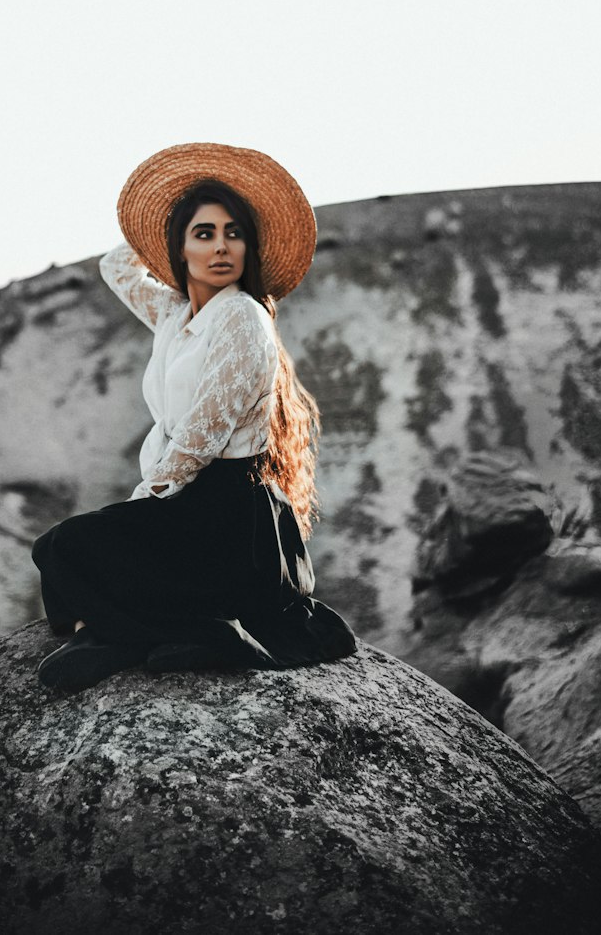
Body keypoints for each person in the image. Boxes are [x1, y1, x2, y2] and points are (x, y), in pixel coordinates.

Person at [32, 142, 357, 692]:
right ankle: (131, 634)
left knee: (69, 548)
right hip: (191, 502)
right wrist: (168, 205)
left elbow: (201, 437)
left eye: (234, 232)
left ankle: (177, 634)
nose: (222, 247)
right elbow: (116, 265)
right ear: (178, 248)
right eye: (203, 233)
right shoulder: (175, 311)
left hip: (224, 512)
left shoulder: (243, 318)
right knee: (57, 553)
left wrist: (144, 503)